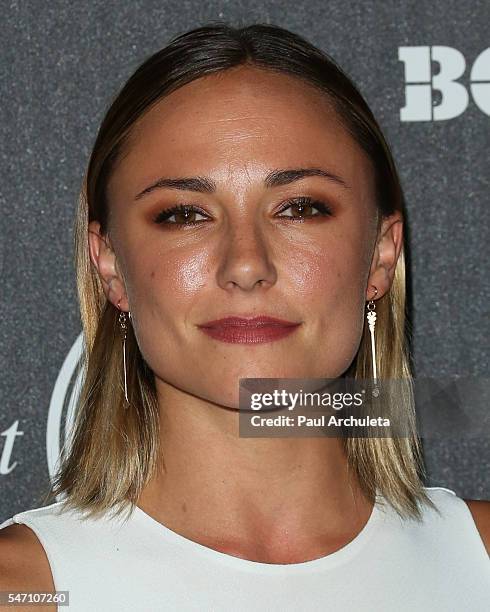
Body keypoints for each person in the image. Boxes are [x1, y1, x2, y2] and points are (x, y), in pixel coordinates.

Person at [0, 23, 488, 612]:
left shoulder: (478, 558)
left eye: (300, 208)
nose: (247, 265)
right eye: (184, 215)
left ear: (381, 253)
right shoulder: (23, 590)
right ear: (110, 267)